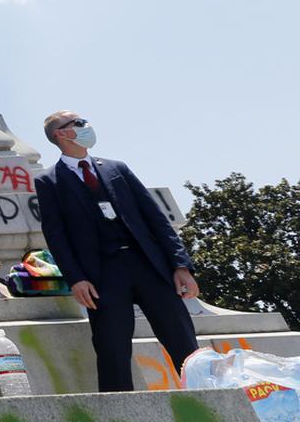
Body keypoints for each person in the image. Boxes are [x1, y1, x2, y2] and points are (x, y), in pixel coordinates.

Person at [35, 111, 200, 391]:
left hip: (148, 265)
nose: (86, 126)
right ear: (60, 134)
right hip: (102, 275)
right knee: (112, 350)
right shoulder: (49, 181)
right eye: (78, 123)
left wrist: (181, 266)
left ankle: (209, 400)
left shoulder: (116, 168)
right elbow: (56, 235)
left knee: (184, 343)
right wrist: (76, 278)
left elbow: (156, 219)